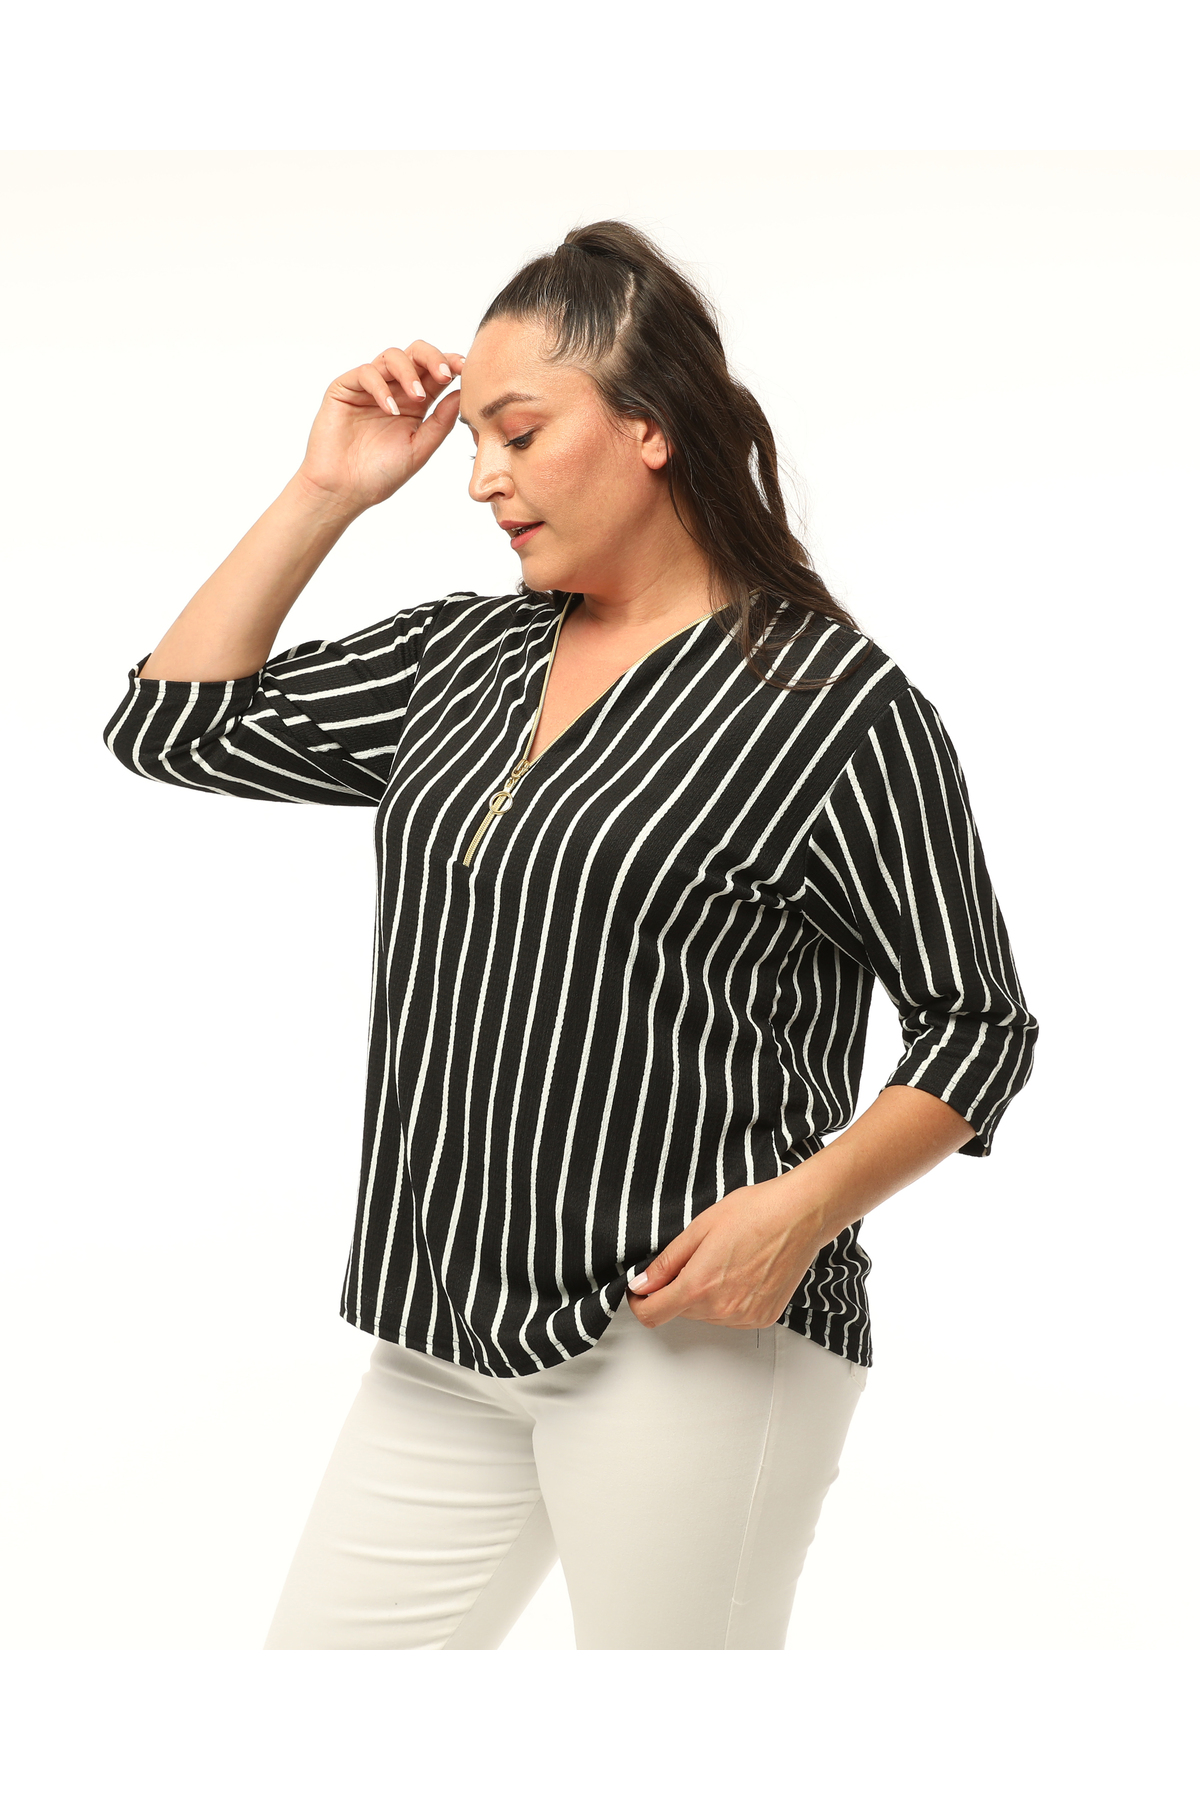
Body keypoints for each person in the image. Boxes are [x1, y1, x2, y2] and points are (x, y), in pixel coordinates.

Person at [102, 220, 1038, 1651]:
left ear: (650, 427)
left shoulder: (830, 709)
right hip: (442, 1326)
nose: (481, 475)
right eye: (474, 438)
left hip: (682, 1334)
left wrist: (800, 1213)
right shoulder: (463, 658)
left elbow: (979, 1024)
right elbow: (176, 727)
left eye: (521, 432)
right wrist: (325, 488)